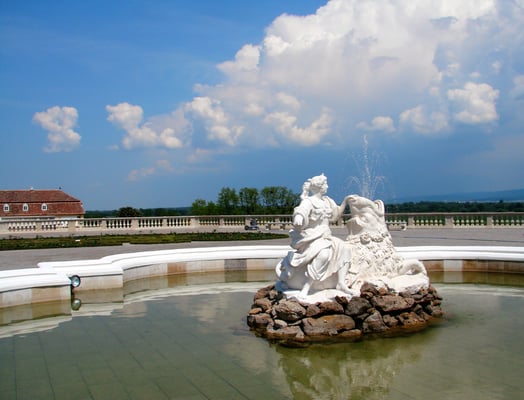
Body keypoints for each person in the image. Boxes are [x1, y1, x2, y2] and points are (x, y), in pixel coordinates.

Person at [279, 174, 352, 298]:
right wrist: (299, 218)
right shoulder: (309, 201)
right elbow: (301, 210)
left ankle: (341, 283)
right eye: (325, 184)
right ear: (319, 187)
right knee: (323, 254)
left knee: (345, 248)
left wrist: (345, 202)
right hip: (313, 237)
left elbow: (335, 216)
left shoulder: (328, 201)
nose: (327, 186)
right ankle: (306, 287)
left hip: (326, 236)